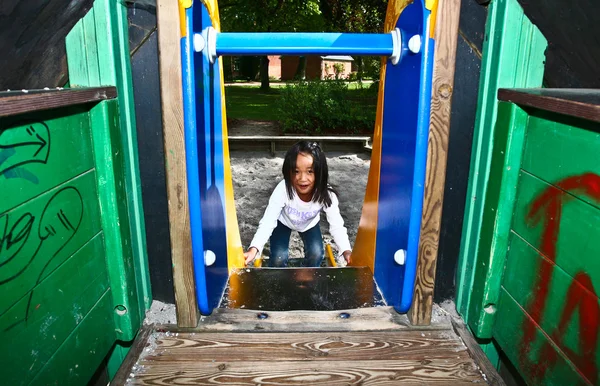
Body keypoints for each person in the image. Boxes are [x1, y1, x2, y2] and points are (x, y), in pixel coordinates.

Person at [244, 141, 352, 267]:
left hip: (309, 224)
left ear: (320, 172)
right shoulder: (283, 190)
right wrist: (254, 248)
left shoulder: (326, 193)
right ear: (288, 172)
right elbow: (268, 221)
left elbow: (337, 225)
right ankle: (277, 278)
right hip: (283, 222)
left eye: (310, 171)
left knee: (316, 254)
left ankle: (308, 276)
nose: (302, 178)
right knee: (279, 257)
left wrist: (346, 250)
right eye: (296, 171)